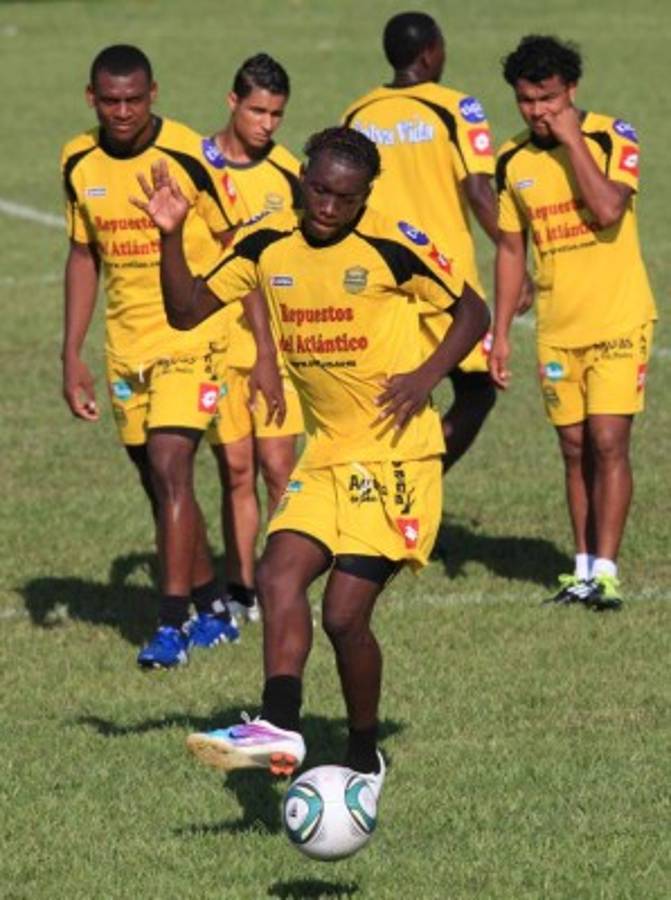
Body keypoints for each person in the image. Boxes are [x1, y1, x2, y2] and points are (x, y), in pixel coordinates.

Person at [132, 127, 490, 790]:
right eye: (318, 190)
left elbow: (473, 310)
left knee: (343, 617)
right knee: (276, 576)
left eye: (344, 198)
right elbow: (184, 312)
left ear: (365, 197)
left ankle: (362, 753)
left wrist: (424, 377)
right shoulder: (266, 241)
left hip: (396, 461)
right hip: (327, 451)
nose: (327, 207)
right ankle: (279, 726)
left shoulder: (391, 242)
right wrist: (169, 234)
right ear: (302, 180)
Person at [60, 44, 245, 668]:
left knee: (170, 466)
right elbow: (84, 255)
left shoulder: (192, 154)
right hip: (126, 345)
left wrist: (258, 345)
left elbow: (237, 243)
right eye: (109, 100)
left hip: (193, 336)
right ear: (92, 98)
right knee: (158, 482)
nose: (121, 111)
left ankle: (171, 628)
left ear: (153, 94)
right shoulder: (77, 160)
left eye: (133, 99)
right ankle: (213, 603)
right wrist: (71, 353)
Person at [489, 35, 657, 610]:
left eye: (550, 99)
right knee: (573, 446)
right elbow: (511, 251)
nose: (538, 111)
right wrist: (502, 332)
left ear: (572, 91)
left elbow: (609, 210)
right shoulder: (511, 161)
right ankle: (581, 568)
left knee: (609, 441)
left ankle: (606, 571)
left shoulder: (614, 136)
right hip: (559, 327)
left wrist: (571, 141)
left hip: (618, 317)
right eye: (527, 101)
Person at [341, 11, 531, 472]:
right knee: (478, 391)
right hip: (448, 286)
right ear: (430, 52)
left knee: (388, 403)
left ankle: (388, 504)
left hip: (381, 284)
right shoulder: (456, 107)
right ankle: (420, 479)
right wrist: (514, 256)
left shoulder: (356, 113)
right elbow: (480, 192)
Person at [200, 53, 304, 624]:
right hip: (218, 347)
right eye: (258, 110)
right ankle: (241, 587)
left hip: (276, 346)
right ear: (233, 102)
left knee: (277, 469)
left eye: (277, 114)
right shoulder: (195, 164)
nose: (267, 124)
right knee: (235, 469)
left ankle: (279, 579)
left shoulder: (289, 172)